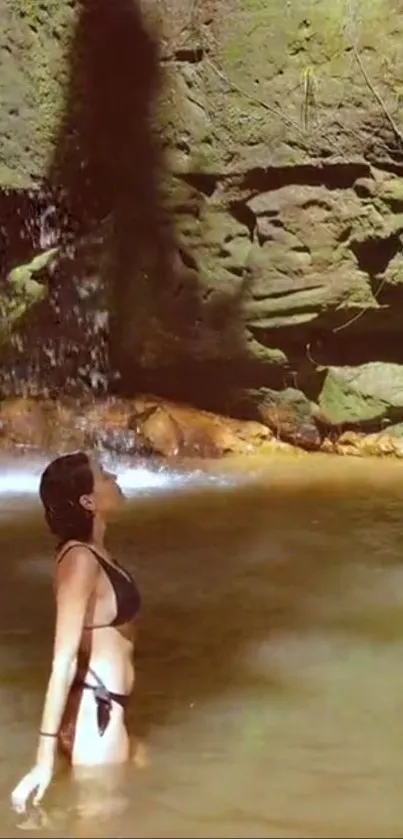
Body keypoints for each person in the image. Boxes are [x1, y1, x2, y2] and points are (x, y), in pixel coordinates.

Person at [11, 451, 142, 814]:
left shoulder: (94, 553)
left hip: (104, 711)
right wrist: (44, 758)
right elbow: (63, 660)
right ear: (88, 500)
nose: (114, 475)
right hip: (96, 717)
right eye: (103, 474)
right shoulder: (79, 560)